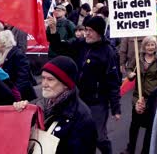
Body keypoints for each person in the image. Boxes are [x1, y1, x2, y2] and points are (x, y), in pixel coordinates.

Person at [47, 16, 121, 154]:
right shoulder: (81, 44)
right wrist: (53, 30)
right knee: (79, 134)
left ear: (99, 32)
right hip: (78, 99)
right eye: (86, 29)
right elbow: (60, 48)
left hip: (97, 102)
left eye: (90, 30)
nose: (86, 33)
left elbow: (113, 81)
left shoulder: (108, 52)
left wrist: (116, 107)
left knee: (98, 137)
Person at [14, 56, 97, 154]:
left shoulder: (81, 118)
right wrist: (22, 112)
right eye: (43, 78)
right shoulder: (39, 105)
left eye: (50, 79)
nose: (44, 84)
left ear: (66, 84)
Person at [122, 36, 157, 154]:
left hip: (153, 98)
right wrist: (130, 75)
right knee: (134, 124)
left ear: (156, 46)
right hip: (138, 96)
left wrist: (156, 92)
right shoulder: (137, 58)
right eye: (148, 45)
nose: (150, 47)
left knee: (150, 127)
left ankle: (145, 150)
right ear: (143, 47)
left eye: (152, 45)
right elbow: (129, 69)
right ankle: (130, 148)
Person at [0, 30, 37, 101]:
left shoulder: (17, 54)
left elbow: (23, 77)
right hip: (5, 91)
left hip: (19, 95)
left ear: (3, 42)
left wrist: (15, 93)